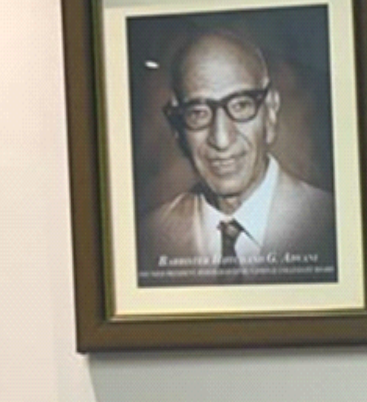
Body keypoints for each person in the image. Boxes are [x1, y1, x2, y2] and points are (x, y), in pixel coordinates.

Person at [139, 30, 338, 285]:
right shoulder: (147, 239)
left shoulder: (334, 225)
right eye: (198, 113)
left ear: (270, 112)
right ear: (178, 128)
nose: (221, 140)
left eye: (241, 105)